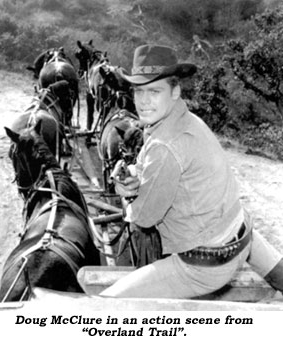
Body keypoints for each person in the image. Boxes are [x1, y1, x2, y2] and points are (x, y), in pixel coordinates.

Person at [99, 44, 283, 299]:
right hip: (242, 235)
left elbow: (143, 218)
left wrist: (125, 194)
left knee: (107, 303)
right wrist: (134, 173)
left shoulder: (165, 144)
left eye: (154, 91)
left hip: (206, 265)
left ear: (175, 91)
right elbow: (155, 165)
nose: (143, 101)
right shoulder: (185, 120)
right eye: (138, 91)